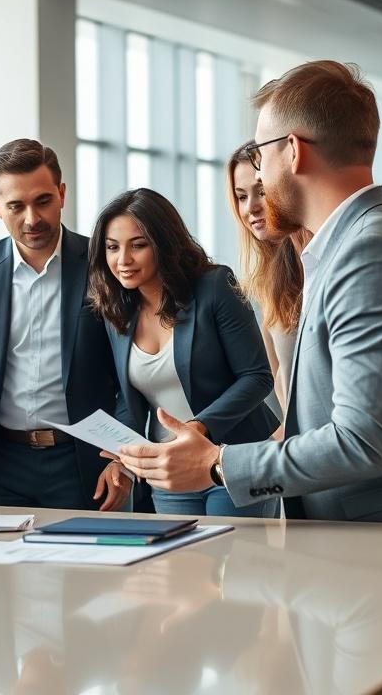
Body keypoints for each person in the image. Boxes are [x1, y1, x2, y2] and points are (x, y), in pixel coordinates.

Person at [115, 60, 382, 527]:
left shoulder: (372, 253)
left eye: (259, 155)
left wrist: (215, 464)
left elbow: (361, 441)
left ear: (292, 151)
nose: (259, 176)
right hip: (372, 547)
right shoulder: (348, 246)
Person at [0, 138, 131, 511]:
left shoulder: (103, 265)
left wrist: (120, 457)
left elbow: (128, 375)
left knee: (84, 569)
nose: (32, 219)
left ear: (61, 194)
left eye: (42, 201)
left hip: (83, 463)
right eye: (15, 206)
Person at [88, 188, 279, 517]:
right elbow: (130, 398)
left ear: (163, 243)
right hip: (168, 469)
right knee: (179, 565)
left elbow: (257, 377)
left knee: (233, 562)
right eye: (112, 247)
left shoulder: (216, 287)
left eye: (138, 245)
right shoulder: (116, 310)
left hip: (231, 457)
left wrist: (199, 427)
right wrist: (123, 456)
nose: (123, 260)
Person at [226, 143, 311, 424]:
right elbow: (279, 381)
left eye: (261, 191)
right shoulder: (263, 283)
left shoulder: (315, 264)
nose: (251, 207)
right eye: (241, 196)